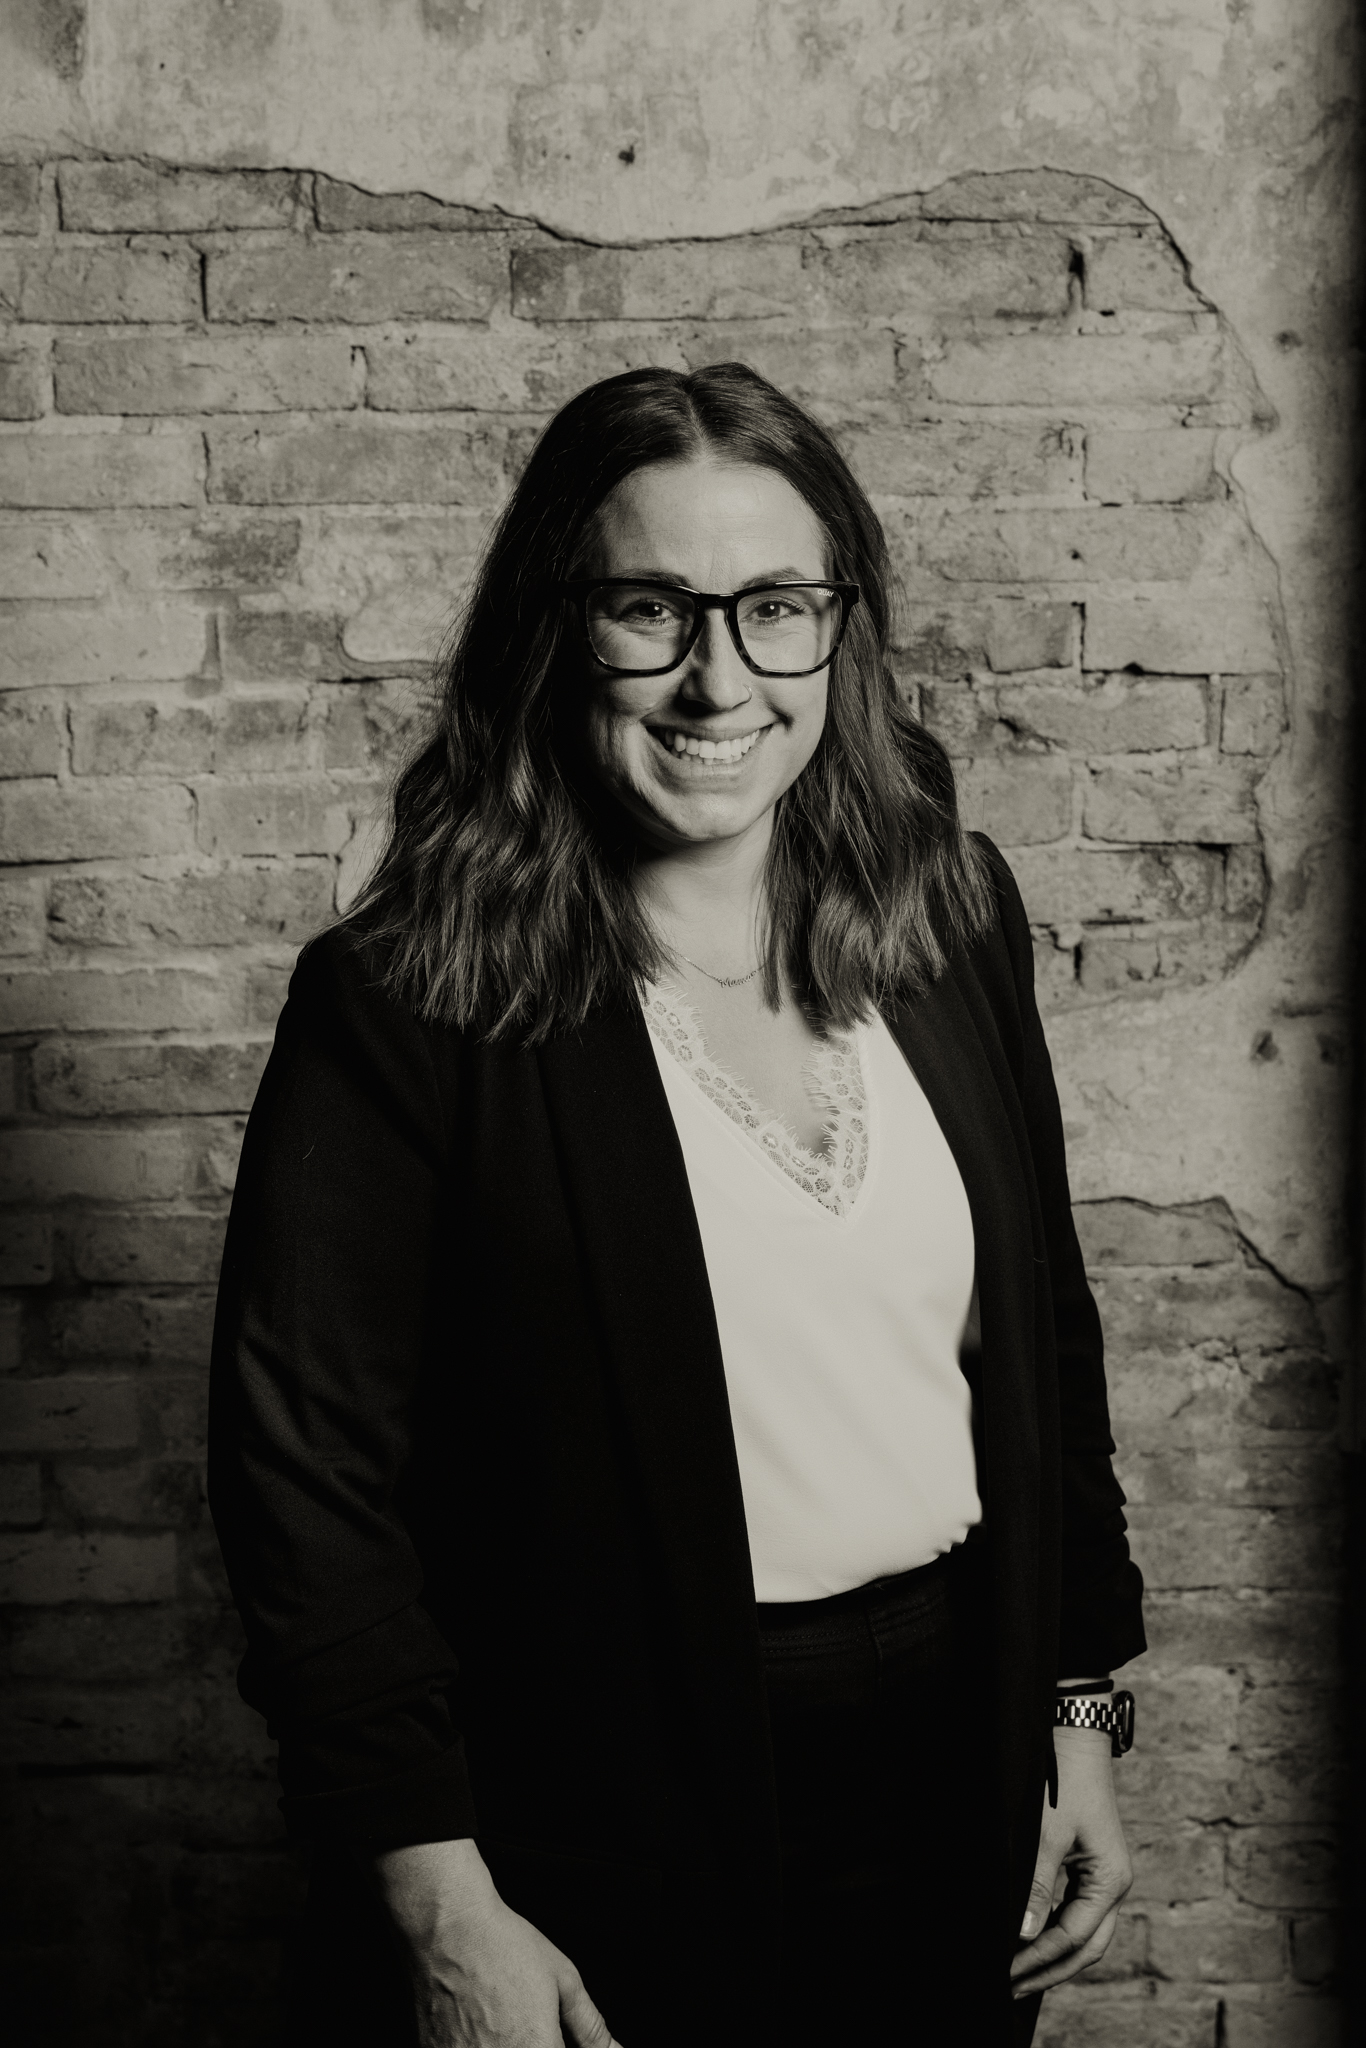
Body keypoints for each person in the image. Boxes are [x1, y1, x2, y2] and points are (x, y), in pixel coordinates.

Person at [208, 362, 1145, 2048]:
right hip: (590, 1800)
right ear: (555, 628)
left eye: (776, 607)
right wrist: (437, 1905)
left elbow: (1043, 1339)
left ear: (838, 628)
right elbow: (304, 1486)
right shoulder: (407, 1000)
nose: (720, 679)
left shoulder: (948, 914)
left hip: (957, 1761)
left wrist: (1075, 1714)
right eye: (651, 608)